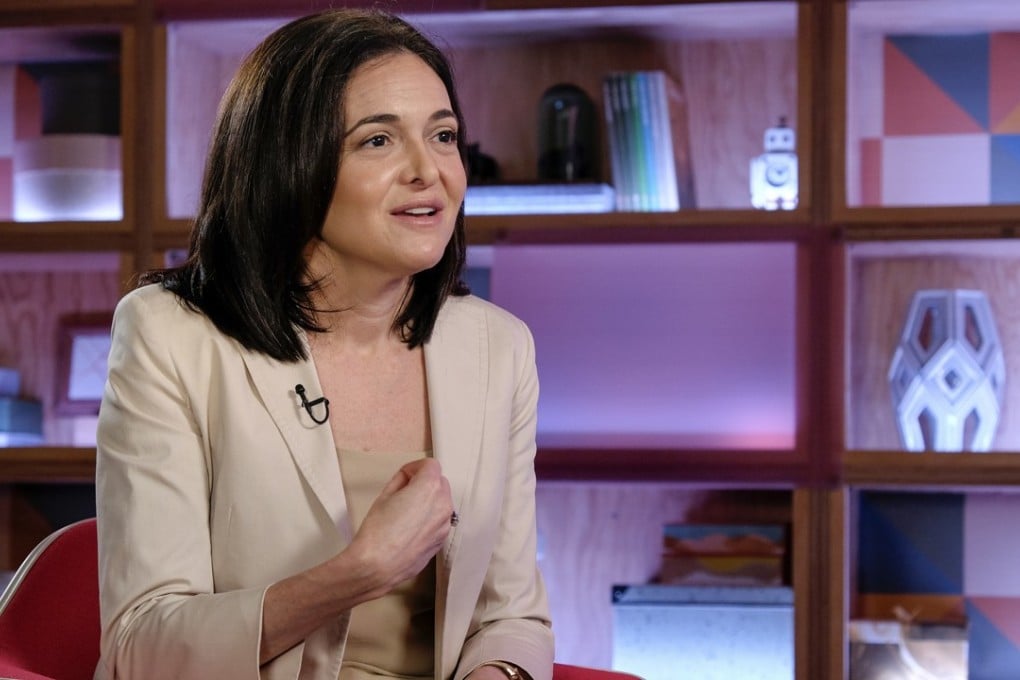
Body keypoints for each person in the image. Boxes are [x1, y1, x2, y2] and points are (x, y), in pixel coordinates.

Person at [93, 9, 553, 680]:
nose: (430, 172)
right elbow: (141, 648)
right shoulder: (169, 334)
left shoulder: (499, 348)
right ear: (289, 163)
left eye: (444, 135)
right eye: (378, 141)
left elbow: (512, 617)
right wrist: (358, 574)